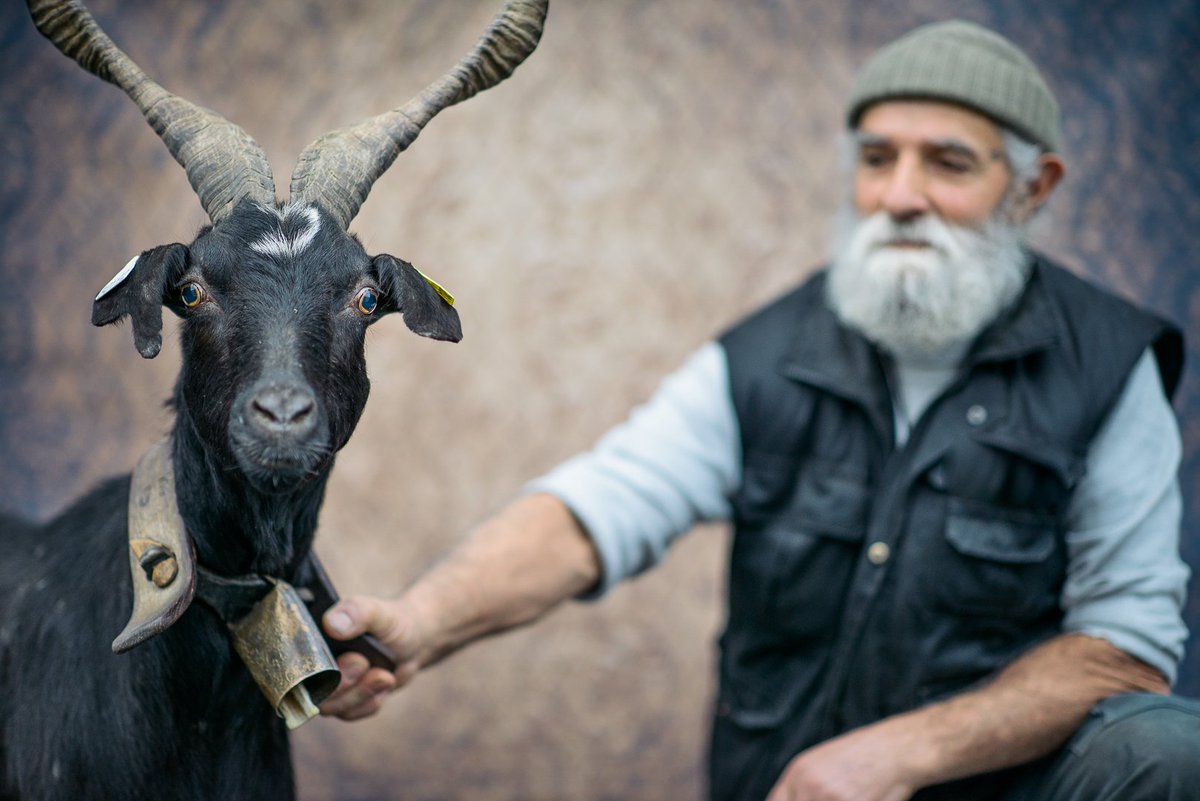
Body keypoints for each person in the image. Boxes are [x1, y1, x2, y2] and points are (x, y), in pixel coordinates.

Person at [318, 19, 1200, 801]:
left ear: (1033, 187)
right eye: (878, 157)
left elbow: (1122, 649)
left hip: (992, 786)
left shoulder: (1108, 365)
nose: (900, 195)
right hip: (787, 786)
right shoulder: (766, 355)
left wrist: (897, 757)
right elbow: (602, 505)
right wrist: (424, 621)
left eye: (949, 163)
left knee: (1168, 751)